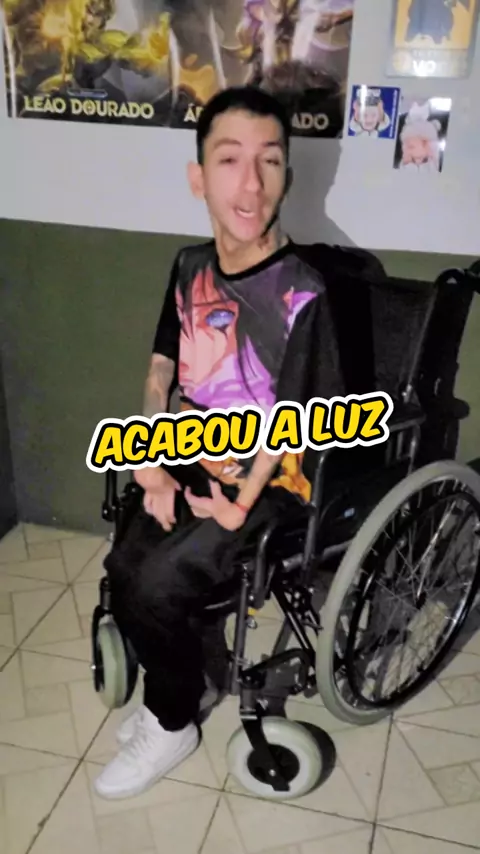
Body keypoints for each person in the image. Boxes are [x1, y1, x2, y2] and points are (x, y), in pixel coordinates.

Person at [93, 84, 344, 800]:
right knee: (125, 562)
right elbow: (161, 367)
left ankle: (172, 723)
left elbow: (300, 421)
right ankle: (180, 686)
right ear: (198, 176)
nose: (251, 182)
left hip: (274, 479)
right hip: (198, 449)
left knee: (157, 581)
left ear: (287, 176)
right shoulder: (189, 266)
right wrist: (150, 459)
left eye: (270, 160)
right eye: (230, 159)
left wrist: (236, 504)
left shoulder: (303, 293)